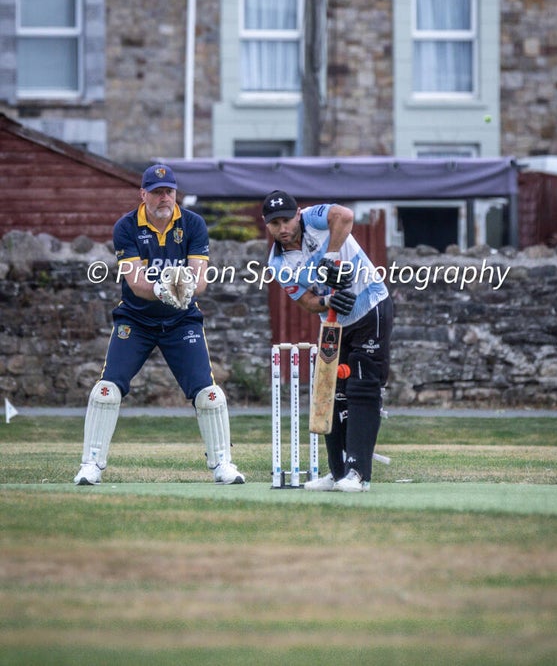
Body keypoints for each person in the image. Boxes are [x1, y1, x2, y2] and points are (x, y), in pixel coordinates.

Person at [74, 164, 245, 486]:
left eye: (168, 191)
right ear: (143, 194)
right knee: (107, 389)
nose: (163, 198)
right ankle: (91, 465)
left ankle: (223, 464)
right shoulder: (126, 226)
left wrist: (184, 290)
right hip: (136, 319)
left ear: (176, 193)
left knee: (209, 394)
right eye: (156, 192)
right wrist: (160, 290)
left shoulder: (193, 224)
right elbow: (135, 281)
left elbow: (201, 280)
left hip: (182, 320)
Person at [262, 190, 393, 492]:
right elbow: (307, 301)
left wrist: (332, 256)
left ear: (297, 214)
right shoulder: (277, 263)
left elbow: (344, 215)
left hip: (371, 305)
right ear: (266, 225)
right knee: (331, 391)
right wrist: (329, 300)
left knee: (362, 386)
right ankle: (337, 472)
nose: (282, 228)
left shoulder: (314, 218)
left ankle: (359, 474)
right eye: (274, 223)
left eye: (286, 220)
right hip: (335, 322)